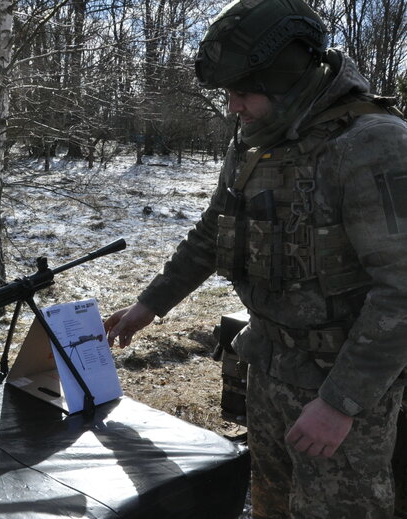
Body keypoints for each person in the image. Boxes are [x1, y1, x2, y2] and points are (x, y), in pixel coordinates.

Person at [104, 0, 407, 518]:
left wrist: (339, 404)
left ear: (286, 83)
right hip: (268, 360)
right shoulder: (254, 141)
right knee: (270, 502)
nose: (233, 108)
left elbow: (402, 289)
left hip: (346, 384)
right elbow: (213, 231)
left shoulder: (373, 145)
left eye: (243, 94)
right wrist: (150, 304)